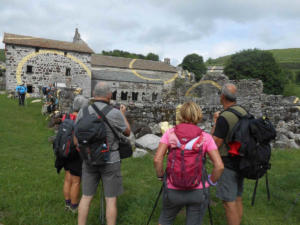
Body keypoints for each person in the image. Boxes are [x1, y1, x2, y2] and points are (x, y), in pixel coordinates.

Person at [154, 101, 224, 225]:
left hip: (173, 188)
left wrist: (161, 176)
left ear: (181, 115)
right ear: (198, 115)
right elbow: (219, 166)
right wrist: (210, 181)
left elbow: (158, 159)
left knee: (165, 220)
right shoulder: (205, 137)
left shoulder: (169, 134)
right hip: (198, 189)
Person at [76, 82, 131, 225]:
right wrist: (123, 114)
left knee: (86, 197)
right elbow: (127, 132)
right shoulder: (115, 113)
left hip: (89, 158)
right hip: (111, 159)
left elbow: (76, 137)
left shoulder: (83, 111)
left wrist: (84, 152)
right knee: (111, 199)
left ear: (94, 94)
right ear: (109, 95)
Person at [211, 83, 247, 225]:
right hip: (243, 160)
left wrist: (215, 122)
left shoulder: (224, 117)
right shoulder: (243, 112)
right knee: (237, 197)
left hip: (228, 163)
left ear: (223, 97)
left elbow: (215, 144)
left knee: (228, 202)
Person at [61, 95, 89, 213]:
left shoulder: (66, 116)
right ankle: (74, 206)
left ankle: (67, 203)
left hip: (65, 151)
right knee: (76, 181)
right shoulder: (82, 119)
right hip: (76, 152)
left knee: (67, 178)